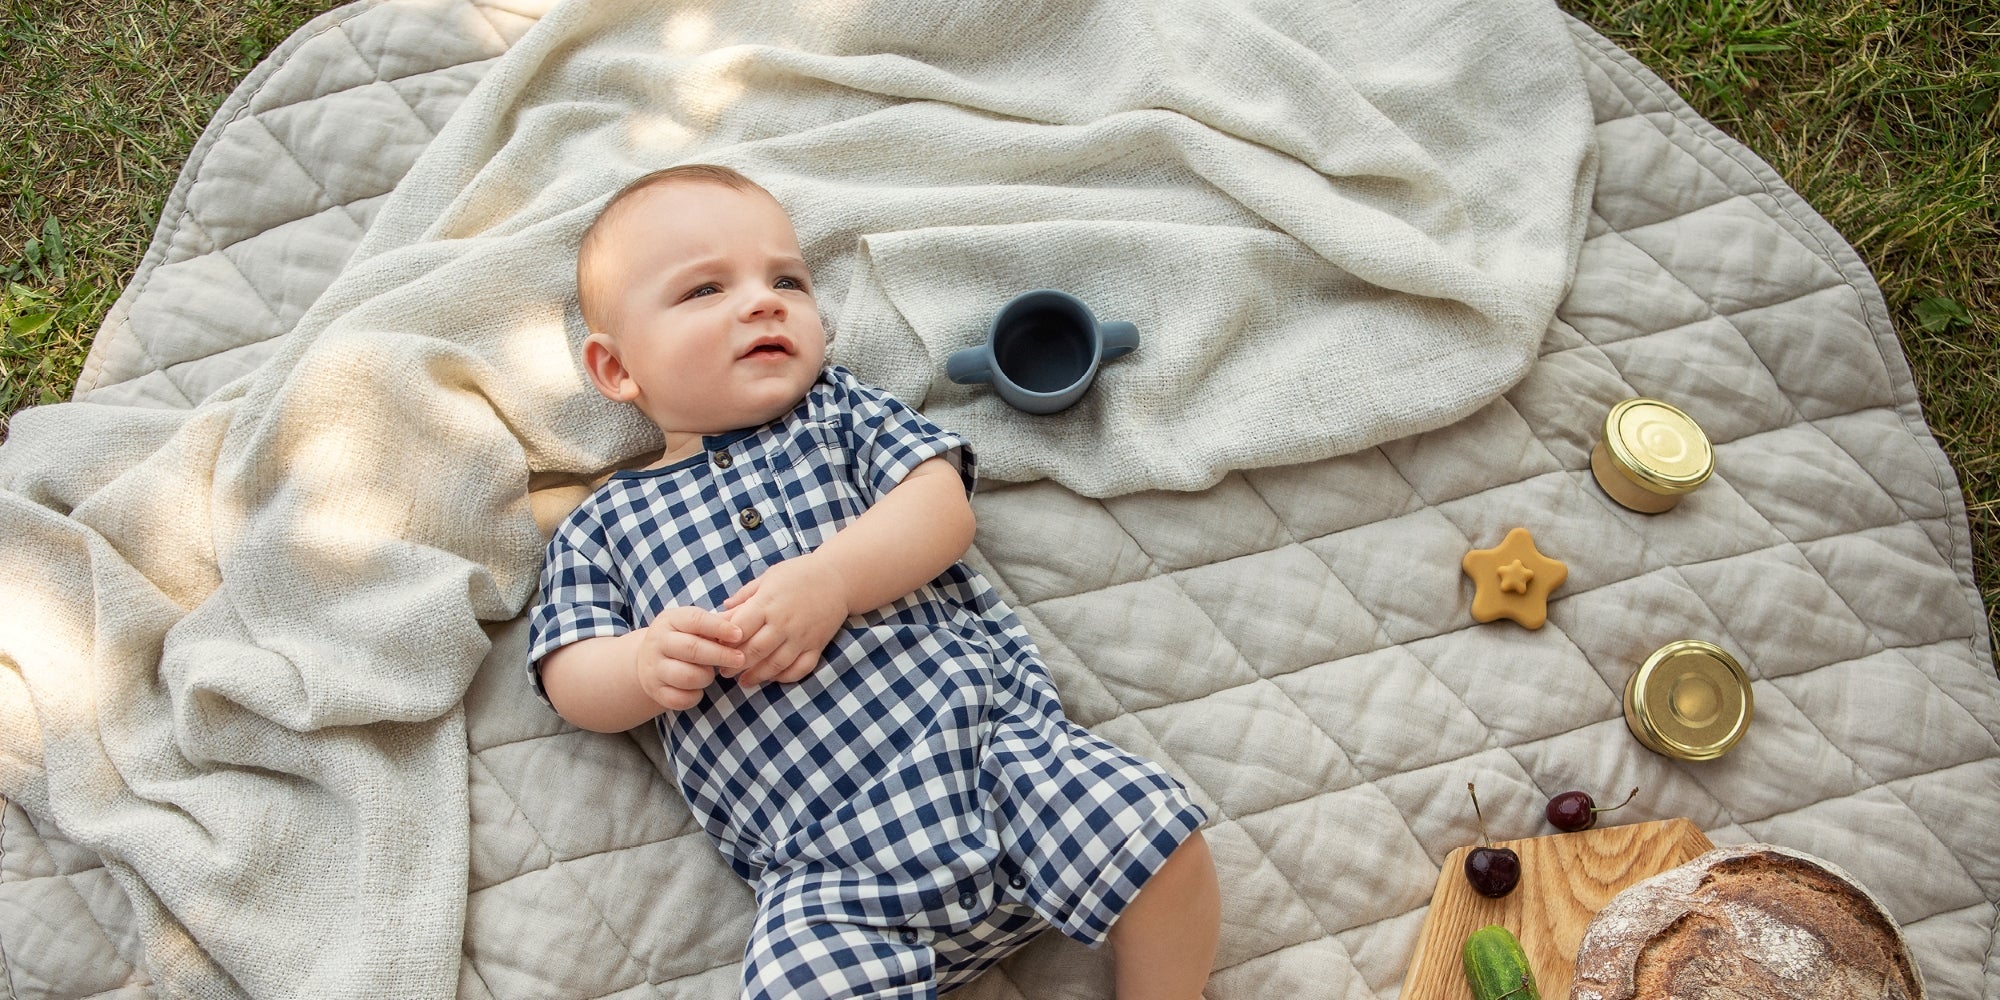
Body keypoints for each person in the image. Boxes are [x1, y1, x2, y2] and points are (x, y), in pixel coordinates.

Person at [527, 163, 1220, 1000]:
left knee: (1159, 840)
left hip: (993, 766)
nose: (763, 301)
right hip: (828, 874)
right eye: (706, 289)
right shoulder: (604, 525)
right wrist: (640, 664)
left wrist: (833, 579)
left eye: (787, 278)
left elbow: (941, 508)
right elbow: (568, 674)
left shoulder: (837, 412)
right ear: (616, 370)